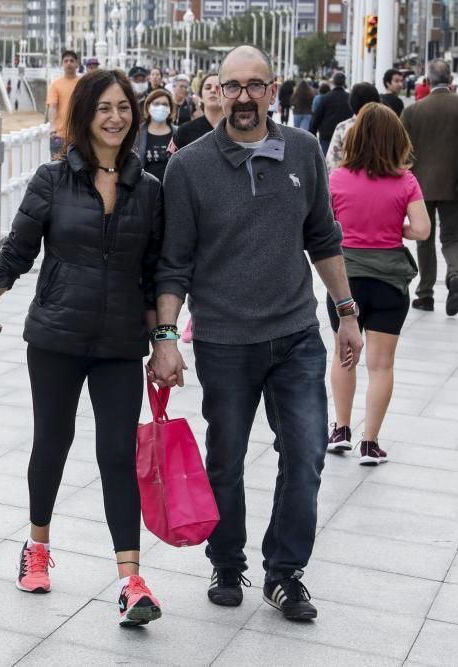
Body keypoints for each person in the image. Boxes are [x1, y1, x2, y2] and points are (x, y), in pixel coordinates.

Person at [151, 46, 361, 622]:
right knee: (226, 456)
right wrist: (166, 337)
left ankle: (285, 573)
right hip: (224, 339)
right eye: (233, 85)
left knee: (308, 451)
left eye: (256, 86)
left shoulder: (304, 150)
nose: (244, 97)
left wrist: (347, 312)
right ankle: (226, 561)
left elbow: (323, 236)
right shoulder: (188, 166)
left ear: (274, 90)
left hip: (296, 334)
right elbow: (174, 262)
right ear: (216, 90)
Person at [0, 69, 165, 627]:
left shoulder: (150, 188)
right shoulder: (51, 181)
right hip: (56, 337)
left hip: (120, 342)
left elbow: (154, 273)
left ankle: (131, 581)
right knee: (53, 442)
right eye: (104, 109)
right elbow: (14, 255)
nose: (116, 118)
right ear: (85, 116)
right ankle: (37, 546)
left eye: (125, 108)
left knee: (117, 454)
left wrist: (164, 342)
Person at [326, 103, 431, 465]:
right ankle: (370, 442)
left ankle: (340, 429)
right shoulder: (406, 180)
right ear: (396, 139)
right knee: (381, 365)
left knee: (345, 357)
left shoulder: (337, 178)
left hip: (345, 284)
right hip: (389, 282)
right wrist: (393, 229)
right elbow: (422, 230)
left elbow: (323, 227)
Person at [402, 59, 458, 315]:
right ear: (450, 81)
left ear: (427, 81)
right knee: (451, 237)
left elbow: (401, 151)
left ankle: (425, 293)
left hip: (420, 188)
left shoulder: (414, 111)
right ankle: (454, 273)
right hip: (455, 185)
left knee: (424, 239)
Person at [324, 83, 381, 170]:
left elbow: (332, 163)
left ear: (352, 102)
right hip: (381, 178)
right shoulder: (386, 125)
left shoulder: (343, 127)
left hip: (349, 178)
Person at [173, 72, 222, 149]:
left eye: (218, 88)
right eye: (208, 88)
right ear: (201, 95)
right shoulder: (185, 131)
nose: (213, 91)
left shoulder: (238, 130)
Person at [46, 50, 81, 155]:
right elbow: (52, 107)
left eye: (71, 60)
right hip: (59, 136)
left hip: (79, 136)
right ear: (62, 64)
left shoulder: (83, 83)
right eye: (66, 61)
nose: (69, 63)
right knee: (57, 168)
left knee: (79, 168)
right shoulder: (55, 84)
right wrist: (52, 127)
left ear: (77, 64)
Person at [138, 89, 175, 182]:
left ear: (170, 109)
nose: (161, 107)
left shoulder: (179, 133)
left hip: (173, 188)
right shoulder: (136, 134)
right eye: (156, 104)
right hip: (145, 190)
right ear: (148, 107)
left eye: (165, 104)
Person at [310, 72, 351, 154]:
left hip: (327, 135)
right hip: (346, 135)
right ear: (344, 82)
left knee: (326, 163)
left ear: (333, 82)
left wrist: (312, 132)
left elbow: (317, 117)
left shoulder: (325, 98)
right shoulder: (349, 98)